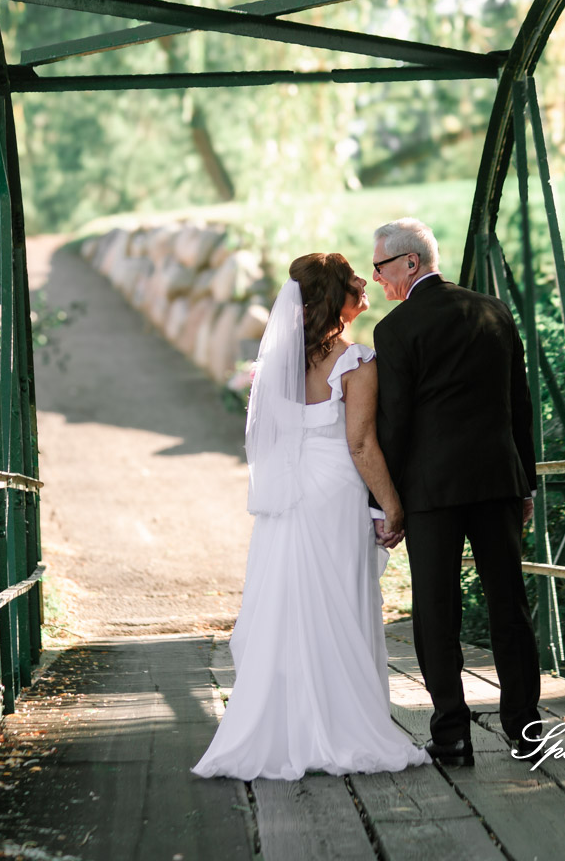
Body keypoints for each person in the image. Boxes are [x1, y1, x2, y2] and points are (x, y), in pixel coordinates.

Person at [192, 252, 430, 780]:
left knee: (289, 601)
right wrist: (393, 506)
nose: (364, 283)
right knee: (341, 600)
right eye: (352, 280)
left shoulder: (278, 362)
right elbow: (362, 444)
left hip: (290, 494)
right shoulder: (357, 361)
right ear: (334, 299)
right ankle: (345, 725)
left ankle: (288, 724)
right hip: (337, 491)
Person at [369, 218, 541, 765]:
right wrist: (526, 482)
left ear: (410, 263)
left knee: (436, 608)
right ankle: (525, 728)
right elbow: (520, 405)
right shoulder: (495, 312)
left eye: (381, 268)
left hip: (431, 490)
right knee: (508, 603)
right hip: (498, 483)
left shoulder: (395, 331)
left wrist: (385, 504)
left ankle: (451, 734)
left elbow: (394, 424)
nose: (377, 280)